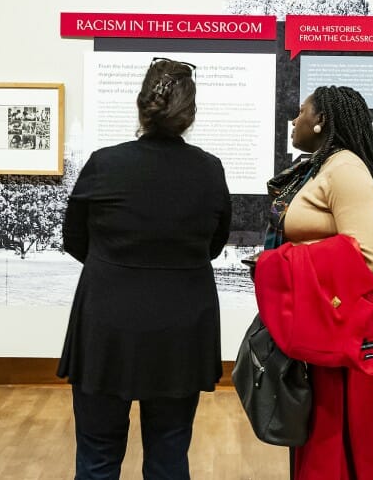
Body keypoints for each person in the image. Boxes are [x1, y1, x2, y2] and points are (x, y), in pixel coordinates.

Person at [57, 58, 231, 480]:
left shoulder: (104, 163)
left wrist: (117, 265)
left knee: (97, 457)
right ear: (190, 114)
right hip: (181, 328)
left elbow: (74, 239)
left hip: (107, 324)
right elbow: (214, 244)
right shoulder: (209, 170)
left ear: (142, 106)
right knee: (169, 457)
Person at [258, 85, 373, 479]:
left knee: (344, 442)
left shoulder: (345, 170)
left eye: (301, 111)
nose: (295, 120)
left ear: (321, 120)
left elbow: (369, 256)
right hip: (325, 319)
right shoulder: (324, 166)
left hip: (343, 327)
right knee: (322, 435)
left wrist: (282, 262)